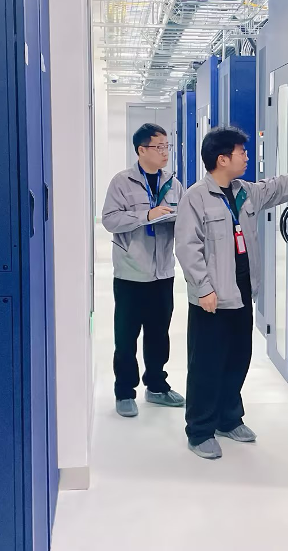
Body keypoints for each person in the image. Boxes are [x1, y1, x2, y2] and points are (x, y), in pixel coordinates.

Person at [175, 126, 288, 459]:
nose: (247, 157)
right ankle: (200, 430)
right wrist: (203, 289)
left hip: (241, 295)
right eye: (242, 152)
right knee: (206, 365)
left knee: (238, 360)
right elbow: (187, 248)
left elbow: (279, 187)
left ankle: (228, 419)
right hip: (211, 300)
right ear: (222, 159)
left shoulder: (244, 192)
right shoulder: (196, 198)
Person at [102, 123, 186, 418]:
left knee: (159, 334)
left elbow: (184, 218)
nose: (165, 153)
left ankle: (157, 387)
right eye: (159, 147)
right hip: (130, 273)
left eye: (167, 146)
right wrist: (146, 215)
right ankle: (125, 391)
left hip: (163, 273)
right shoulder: (121, 182)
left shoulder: (174, 184)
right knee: (126, 338)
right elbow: (110, 220)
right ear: (141, 150)